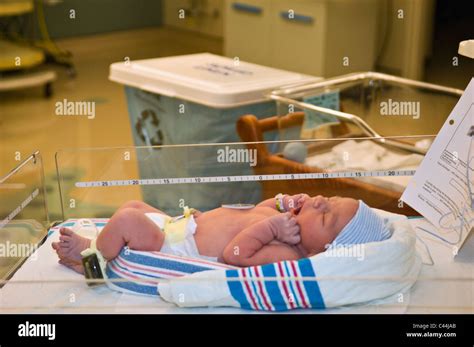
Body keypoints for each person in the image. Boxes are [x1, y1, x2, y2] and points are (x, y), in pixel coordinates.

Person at [52, 194, 391, 272]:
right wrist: (278, 204)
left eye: (327, 215)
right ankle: (102, 246)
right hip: (179, 225)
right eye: (328, 200)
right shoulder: (286, 218)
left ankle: (91, 259)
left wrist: (272, 226)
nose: (318, 201)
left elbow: (235, 255)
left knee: (127, 219)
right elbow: (258, 207)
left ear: (322, 250)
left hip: (175, 246)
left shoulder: (290, 252)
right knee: (135, 204)